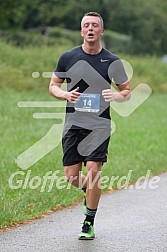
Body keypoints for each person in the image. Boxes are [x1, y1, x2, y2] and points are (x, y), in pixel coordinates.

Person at [49, 12, 130, 240]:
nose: (91, 28)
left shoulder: (112, 61)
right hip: (73, 124)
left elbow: (127, 90)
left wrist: (116, 96)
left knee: (93, 170)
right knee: (72, 176)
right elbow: (53, 85)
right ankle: (89, 191)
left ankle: (88, 222)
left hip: (99, 124)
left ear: (101, 31)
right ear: (82, 31)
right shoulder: (68, 57)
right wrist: (64, 94)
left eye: (95, 25)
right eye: (86, 25)